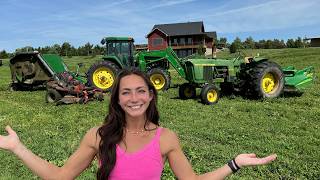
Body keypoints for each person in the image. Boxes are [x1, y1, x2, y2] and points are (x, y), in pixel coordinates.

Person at [0, 68, 277, 179]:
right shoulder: (97, 136)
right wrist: (18, 148)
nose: (134, 98)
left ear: (151, 94)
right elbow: (60, 177)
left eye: (141, 90)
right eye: (126, 92)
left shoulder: (167, 138)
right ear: (117, 99)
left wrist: (234, 163)